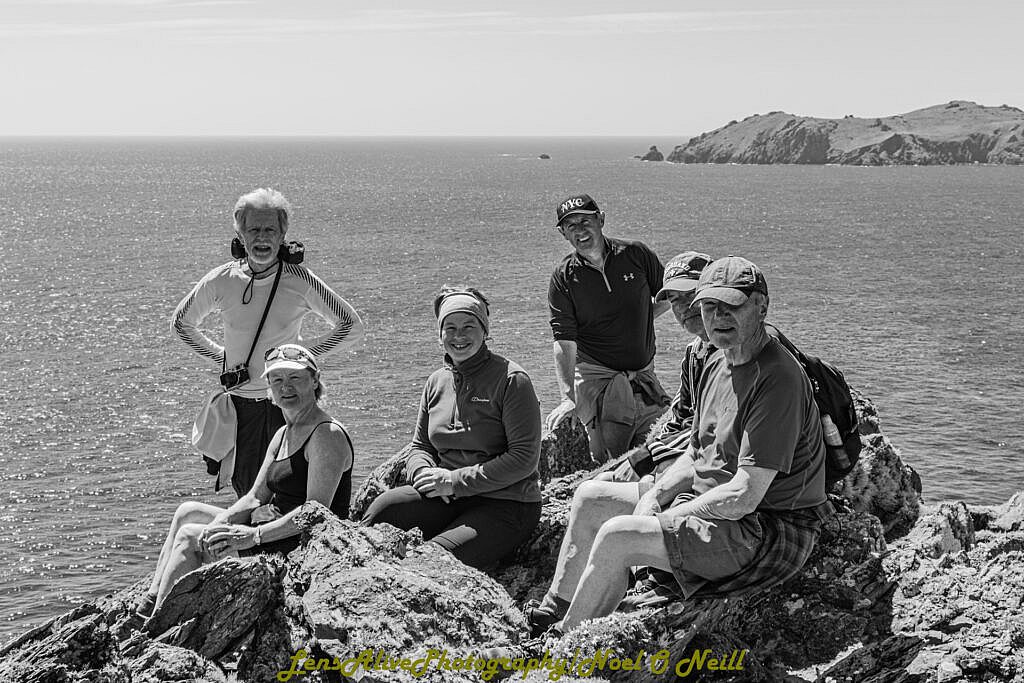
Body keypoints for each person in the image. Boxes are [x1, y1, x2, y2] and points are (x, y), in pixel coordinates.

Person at [526, 256, 833, 635]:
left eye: (731, 305)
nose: (718, 317)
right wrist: (656, 496)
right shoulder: (717, 361)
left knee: (618, 536)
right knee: (591, 497)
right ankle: (554, 612)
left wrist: (666, 519)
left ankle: (569, 646)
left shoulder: (777, 379)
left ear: (761, 306)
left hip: (764, 529)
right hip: (716, 504)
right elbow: (694, 453)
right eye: (708, 306)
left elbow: (745, 495)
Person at [135, 344, 354, 620]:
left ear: (314, 380)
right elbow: (254, 498)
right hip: (272, 531)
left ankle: (157, 626)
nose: (286, 387)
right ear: (269, 389)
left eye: (295, 378)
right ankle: (151, 600)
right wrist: (221, 523)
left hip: (301, 546)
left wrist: (251, 537)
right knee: (187, 512)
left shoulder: (326, 435)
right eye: (277, 380)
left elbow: (314, 513)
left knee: (189, 536)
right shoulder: (284, 434)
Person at [171, 188, 363, 496]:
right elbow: (181, 324)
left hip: (286, 403)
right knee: (246, 490)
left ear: (283, 233)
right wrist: (223, 358)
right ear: (240, 233)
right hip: (240, 405)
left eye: (270, 229)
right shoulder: (222, 279)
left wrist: (296, 357)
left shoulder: (300, 280)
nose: (262, 238)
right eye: (253, 229)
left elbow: (351, 325)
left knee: (286, 491)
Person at [362, 287, 542, 570]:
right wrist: (423, 474)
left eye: (469, 326)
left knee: (431, 561)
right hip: (447, 497)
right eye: (450, 327)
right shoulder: (436, 382)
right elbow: (420, 446)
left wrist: (454, 481)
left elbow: (524, 458)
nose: (459, 336)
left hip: (506, 502)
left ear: (485, 331)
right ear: (440, 334)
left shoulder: (511, 380)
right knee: (380, 513)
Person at [545, 193, 671, 465]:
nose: (580, 230)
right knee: (606, 462)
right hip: (598, 384)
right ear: (563, 233)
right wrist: (568, 399)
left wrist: (641, 319)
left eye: (586, 221)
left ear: (601, 219)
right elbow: (564, 342)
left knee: (663, 452)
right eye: (571, 225)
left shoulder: (636, 254)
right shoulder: (564, 278)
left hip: (643, 379)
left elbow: (669, 295)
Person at [595, 251, 716, 484]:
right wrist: (647, 456)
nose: (682, 307)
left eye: (690, 294)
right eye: (673, 299)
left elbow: (710, 430)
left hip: (713, 469)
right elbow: (680, 417)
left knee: (595, 494)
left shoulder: (733, 354)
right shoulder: (694, 354)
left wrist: (646, 458)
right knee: (603, 482)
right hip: (685, 458)